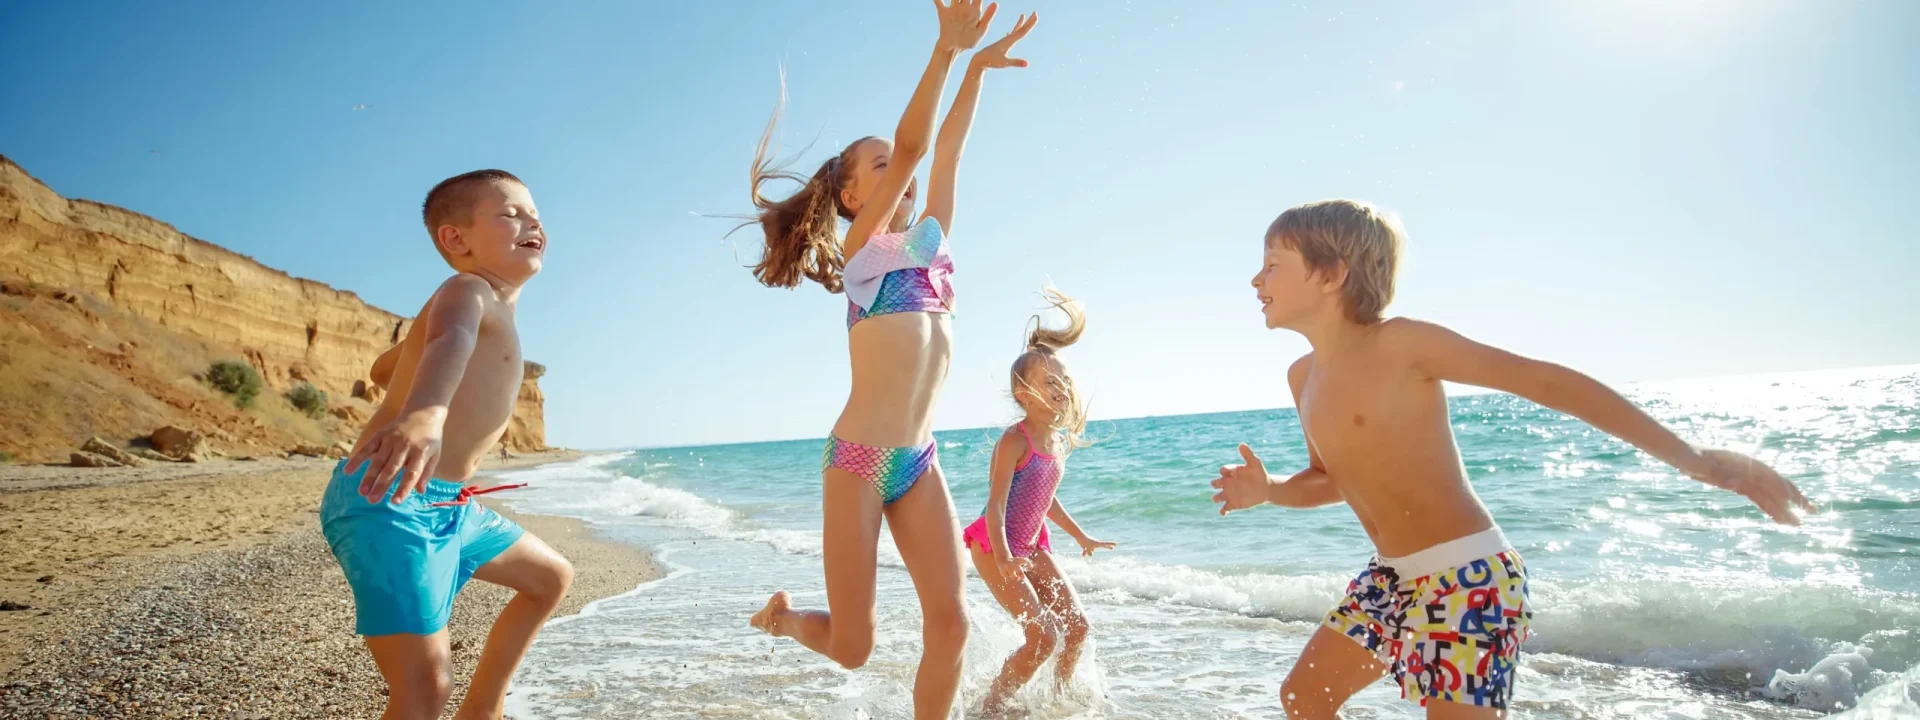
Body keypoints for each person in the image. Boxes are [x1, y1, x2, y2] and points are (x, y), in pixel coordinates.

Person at [1212, 198, 1816, 718]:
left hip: (1470, 580)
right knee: (1303, 699)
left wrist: (1692, 458)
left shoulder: (1402, 345)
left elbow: (1542, 381)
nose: (1255, 280)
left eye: (1272, 265)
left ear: (1330, 274)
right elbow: (1330, 480)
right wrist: (1271, 491)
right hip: (1390, 579)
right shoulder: (1302, 376)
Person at [739, 2, 1037, 716]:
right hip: (859, 464)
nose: (901, 176)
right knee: (853, 646)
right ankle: (783, 619)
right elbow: (914, 147)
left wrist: (978, 71)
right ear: (851, 196)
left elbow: (946, 151)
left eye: (898, 171)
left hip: (918, 463)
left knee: (953, 621)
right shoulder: (862, 260)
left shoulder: (932, 245)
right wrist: (943, 53)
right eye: (879, 168)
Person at [324, 169, 574, 720]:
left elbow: (390, 363)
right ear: (456, 240)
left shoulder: (487, 303)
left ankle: (482, 711)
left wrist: (404, 360)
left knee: (549, 578)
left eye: (536, 214)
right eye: (511, 213)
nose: (532, 222)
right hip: (389, 499)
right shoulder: (469, 290)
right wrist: (426, 414)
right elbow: (449, 339)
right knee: (424, 689)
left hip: (449, 505)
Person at [961, 287, 1115, 715]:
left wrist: (1082, 535)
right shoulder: (1015, 439)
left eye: (1064, 380)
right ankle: (990, 706)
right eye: (1050, 382)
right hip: (994, 546)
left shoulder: (1056, 440)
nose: (1062, 387)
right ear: (1024, 396)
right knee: (1042, 637)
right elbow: (996, 505)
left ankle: (1058, 697)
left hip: (1031, 545)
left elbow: (1045, 499)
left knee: (1078, 627)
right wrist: (1007, 556)